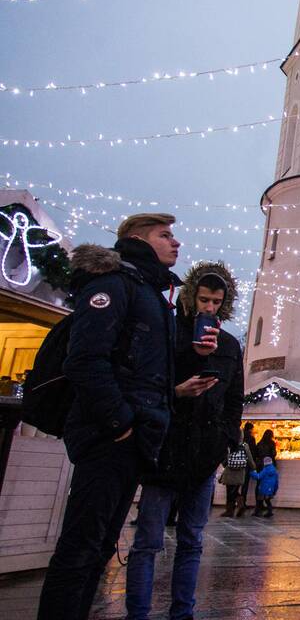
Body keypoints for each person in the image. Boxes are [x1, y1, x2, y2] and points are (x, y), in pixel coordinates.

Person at [36, 214, 193, 620]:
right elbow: (86, 359)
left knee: (101, 546)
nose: (175, 243)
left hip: (134, 436)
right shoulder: (114, 284)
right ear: (138, 240)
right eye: (165, 235)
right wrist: (119, 422)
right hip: (112, 436)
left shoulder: (152, 294)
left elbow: (146, 370)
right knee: (81, 547)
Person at [125, 262, 244, 620]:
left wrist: (226, 437)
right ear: (192, 297)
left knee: (192, 540)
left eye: (216, 302)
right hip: (166, 449)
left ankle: (183, 612)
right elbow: (147, 383)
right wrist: (178, 389)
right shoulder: (169, 333)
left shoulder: (229, 345)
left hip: (205, 453)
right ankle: (138, 613)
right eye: (204, 300)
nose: (209, 308)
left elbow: (234, 397)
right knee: (148, 541)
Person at [219, 441, 255, 517]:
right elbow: (249, 457)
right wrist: (253, 467)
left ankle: (230, 510)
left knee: (229, 491)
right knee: (235, 490)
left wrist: (224, 464)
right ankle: (241, 505)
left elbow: (224, 456)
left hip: (229, 470)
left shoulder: (229, 444)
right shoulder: (245, 445)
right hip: (240, 471)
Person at [240, 421, 257, 514]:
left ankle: (233, 502)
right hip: (246, 464)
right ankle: (243, 502)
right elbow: (253, 452)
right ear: (251, 429)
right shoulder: (251, 438)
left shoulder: (240, 437)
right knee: (245, 484)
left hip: (238, 463)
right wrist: (253, 464)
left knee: (236, 484)